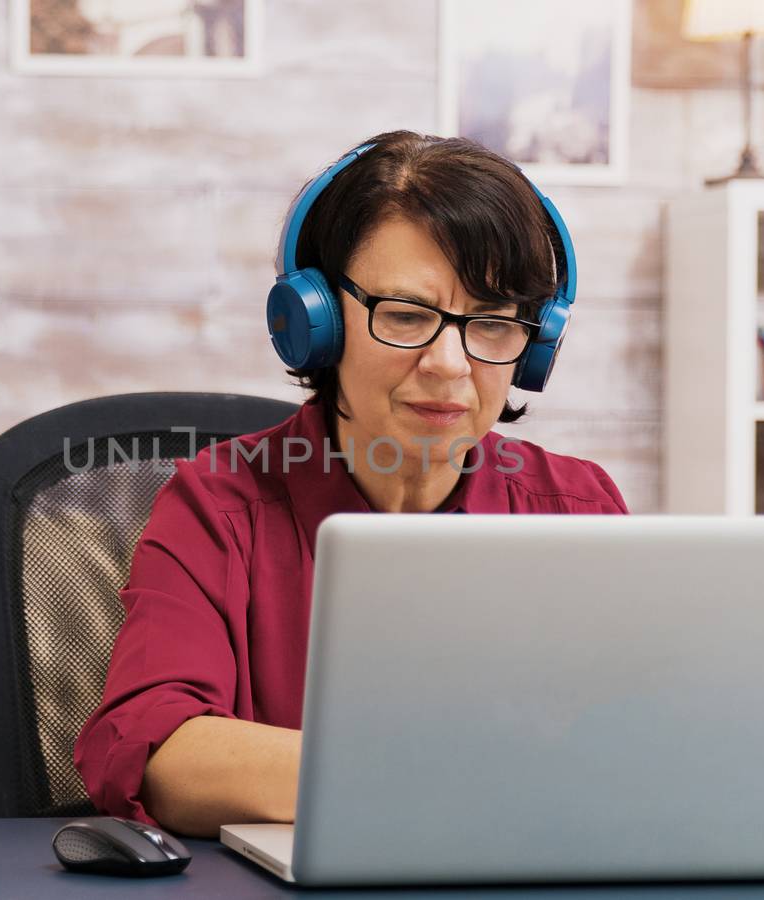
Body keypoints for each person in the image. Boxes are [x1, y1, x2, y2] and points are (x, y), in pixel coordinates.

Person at [72, 130, 628, 837]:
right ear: (316, 321)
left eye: (492, 323)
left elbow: (644, 742)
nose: (450, 364)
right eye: (405, 315)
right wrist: (438, 775)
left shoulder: (578, 510)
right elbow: (158, 752)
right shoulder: (219, 505)